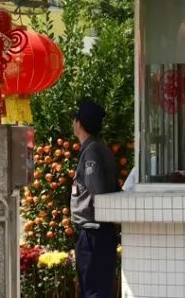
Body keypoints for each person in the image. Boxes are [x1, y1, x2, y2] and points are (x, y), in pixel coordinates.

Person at [71, 99, 119, 298]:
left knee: (94, 291)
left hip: (94, 235)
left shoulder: (92, 152)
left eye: (74, 119)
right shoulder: (98, 148)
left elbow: (98, 193)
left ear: (79, 123)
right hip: (98, 234)